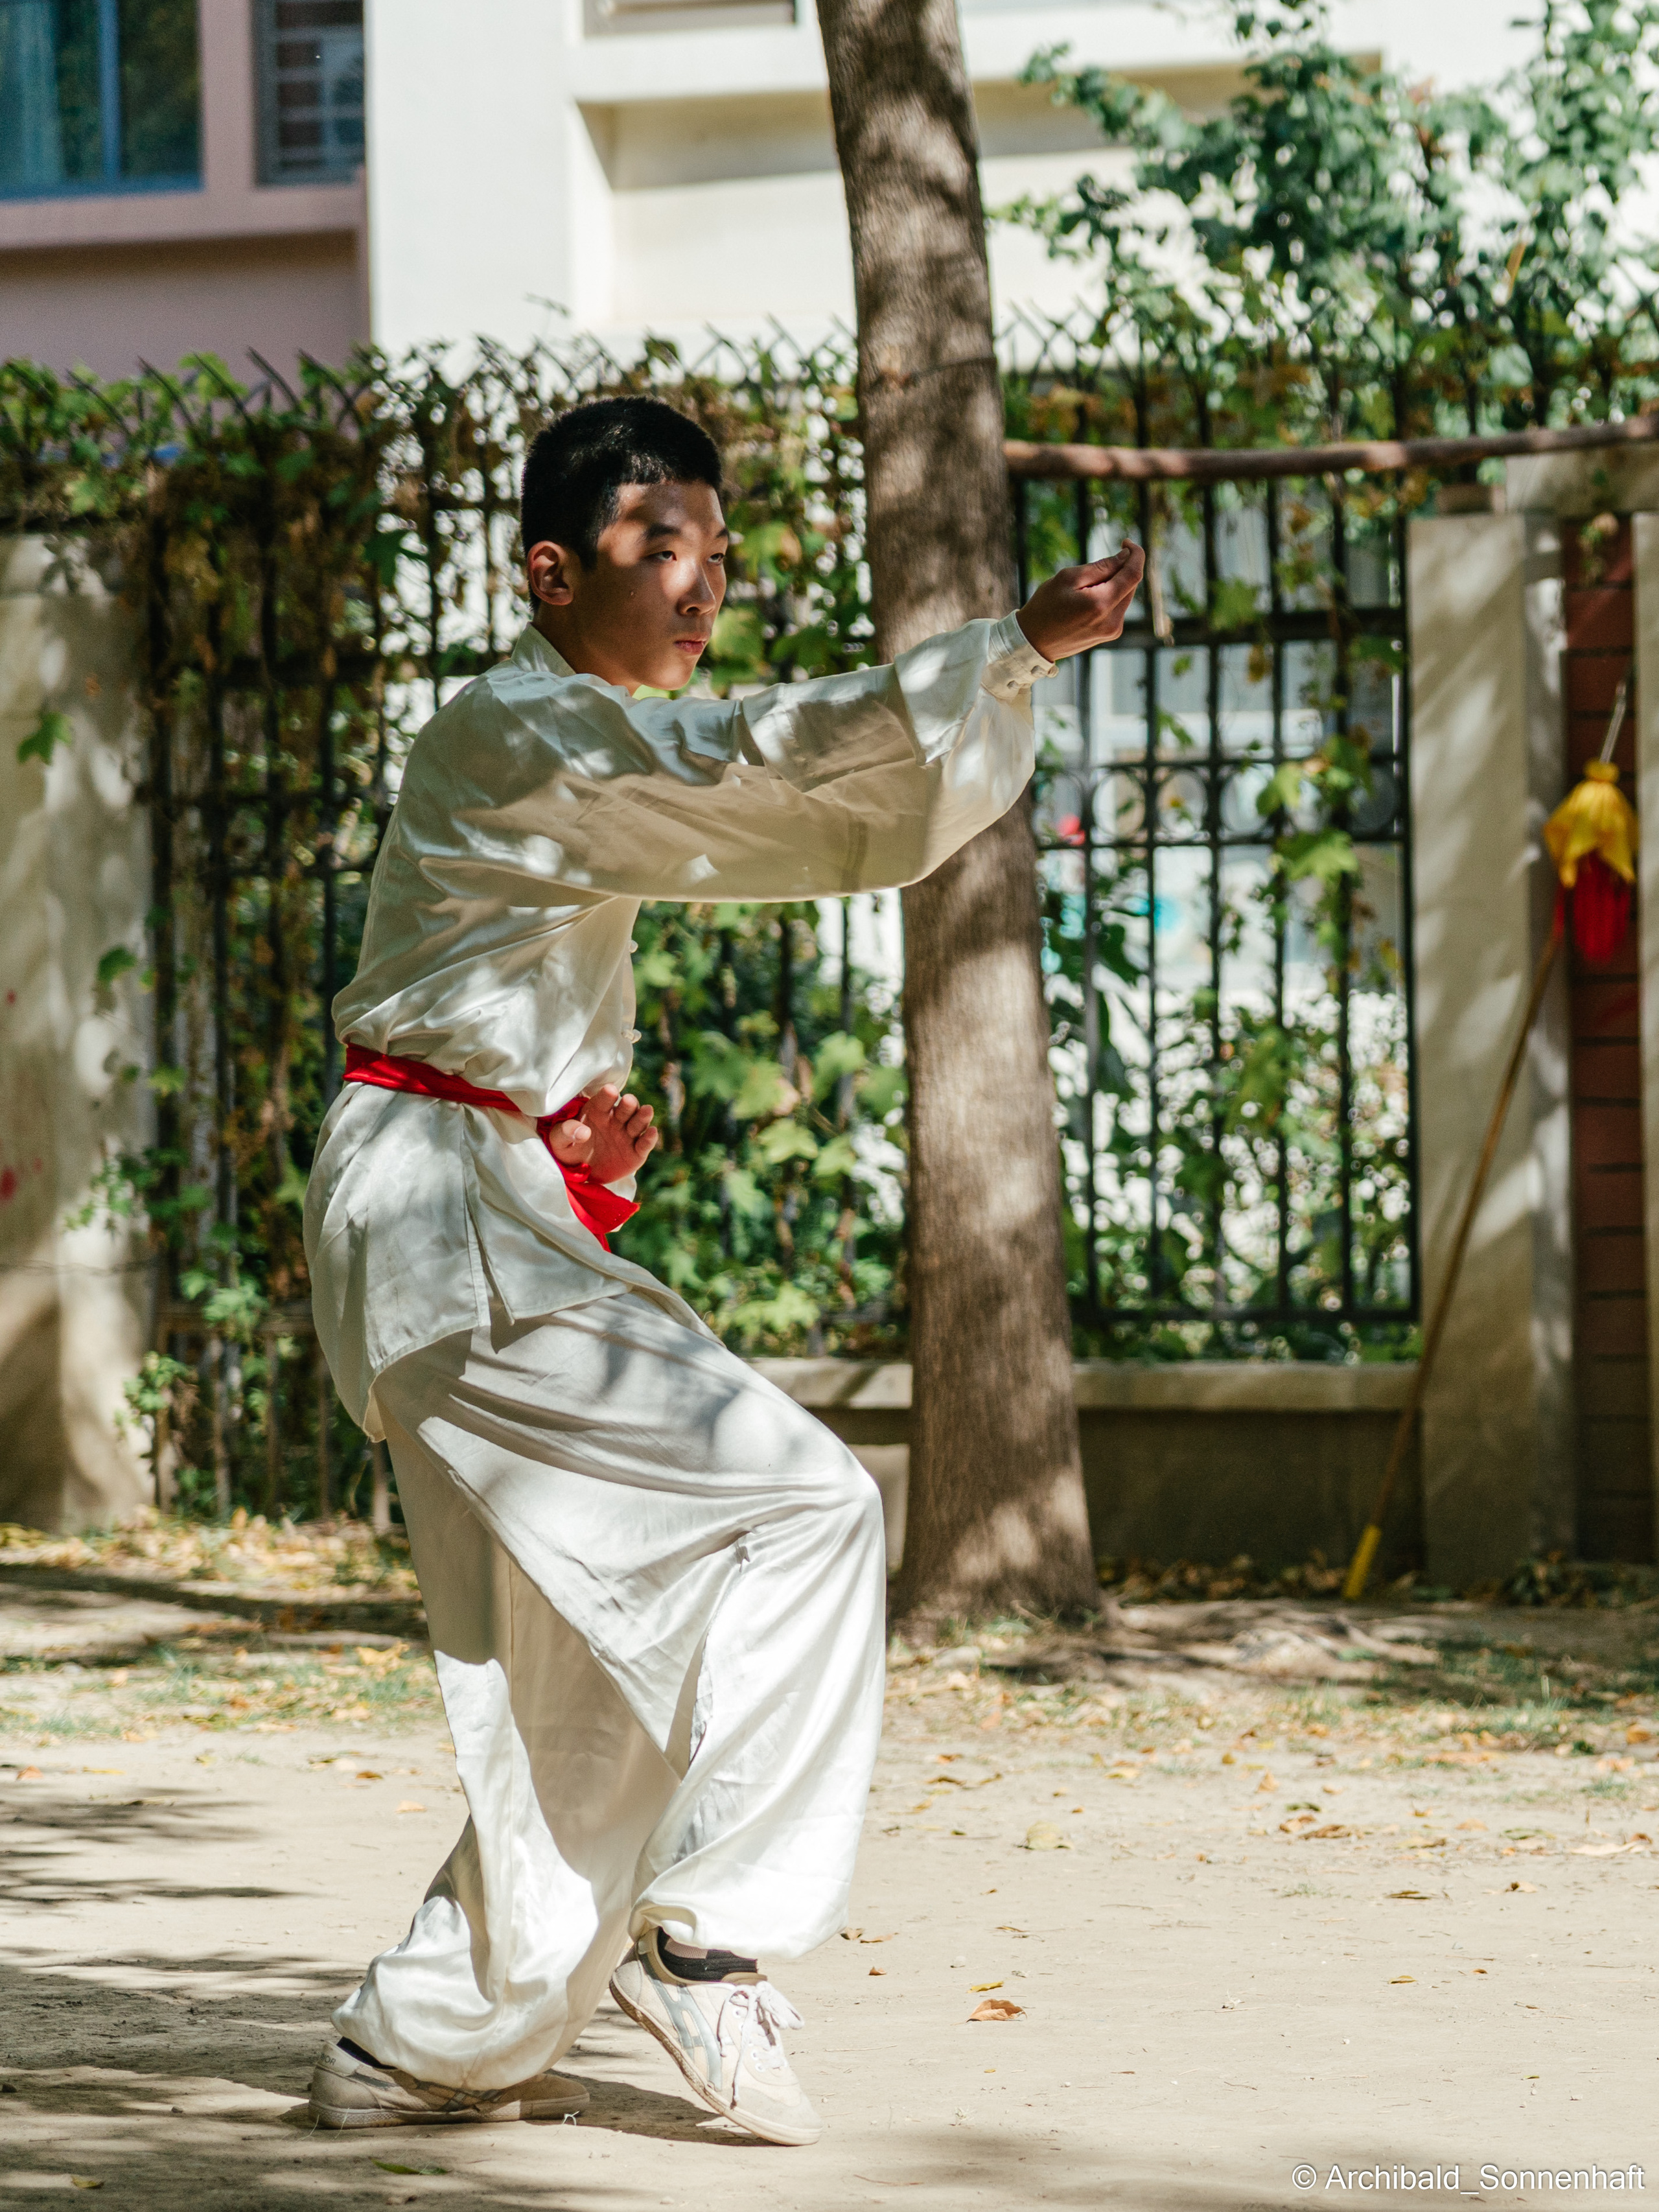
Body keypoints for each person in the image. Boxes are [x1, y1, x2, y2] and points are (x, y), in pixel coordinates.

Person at [301, 396, 1144, 2145]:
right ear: (551, 570)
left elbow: (478, 1006)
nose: (701, 586)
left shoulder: (571, 744)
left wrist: (569, 1148)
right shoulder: (520, 731)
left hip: (472, 1211)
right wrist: (1005, 655)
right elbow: (758, 771)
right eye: (656, 548)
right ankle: (708, 1948)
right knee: (807, 1511)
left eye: (717, 553)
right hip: (439, 1227)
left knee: (597, 1653)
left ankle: (433, 2035)